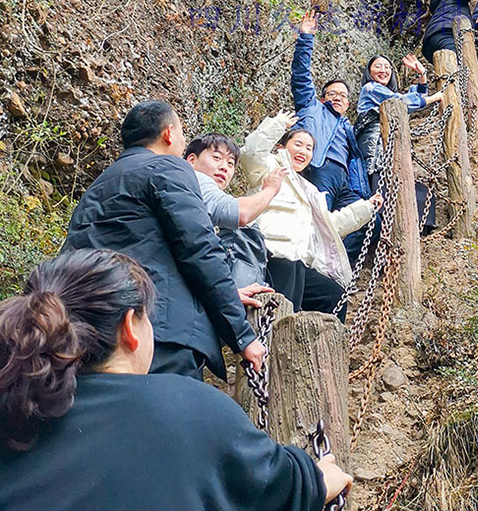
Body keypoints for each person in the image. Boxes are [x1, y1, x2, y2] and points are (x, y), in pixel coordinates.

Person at [0, 249, 351, 511]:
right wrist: (316, 481)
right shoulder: (186, 410)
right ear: (130, 328)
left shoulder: (14, 413)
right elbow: (271, 488)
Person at [64, 100, 264, 381]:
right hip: (161, 332)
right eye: (182, 132)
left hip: (93, 334)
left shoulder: (99, 185)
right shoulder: (168, 168)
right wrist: (242, 336)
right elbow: (199, 249)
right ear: (169, 133)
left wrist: (227, 294)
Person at [240, 117, 380, 316]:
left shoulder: (310, 190)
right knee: (284, 301)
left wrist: (366, 207)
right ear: (281, 146)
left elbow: (330, 225)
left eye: (309, 148)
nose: (303, 151)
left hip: (300, 263)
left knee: (334, 296)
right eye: (298, 144)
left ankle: (329, 347)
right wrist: (277, 124)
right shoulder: (270, 167)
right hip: (271, 255)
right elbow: (251, 154)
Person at [290, 7, 372, 261]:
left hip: (346, 181)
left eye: (343, 96)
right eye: (332, 94)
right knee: (317, 219)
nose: (338, 98)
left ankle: (338, 265)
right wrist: (306, 38)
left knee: (367, 219)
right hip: (319, 169)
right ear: (323, 98)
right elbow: (301, 76)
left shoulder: (349, 127)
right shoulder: (311, 108)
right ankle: (308, 265)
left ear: (349, 104)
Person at [354, 53, 442, 231]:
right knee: (379, 189)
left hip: (388, 151)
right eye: (378, 66)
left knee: (406, 189)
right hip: (374, 151)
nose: (383, 70)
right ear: (369, 72)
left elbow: (414, 95)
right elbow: (403, 102)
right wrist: (435, 98)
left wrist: (421, 73)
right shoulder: (370, 88)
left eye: (387, 67)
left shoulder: (387, 93)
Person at [184, 133, 281, 292]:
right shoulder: (195, 179)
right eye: (216, 158)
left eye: (230, 163)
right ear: (192, 160)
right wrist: (270, 189)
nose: (224, 167)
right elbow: (241, 214)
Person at [421, 0, 478, 64]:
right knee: (456, 68)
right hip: (447, 34)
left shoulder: (440, 5)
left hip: (429, 44)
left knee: (447, 70)